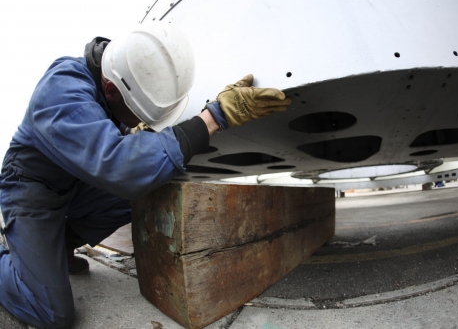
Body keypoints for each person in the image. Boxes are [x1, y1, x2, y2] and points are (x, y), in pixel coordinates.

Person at [0, 24, 290, 329]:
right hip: (31, 190)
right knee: (50, 312)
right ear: (111, 90)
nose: (141, 121)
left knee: (139, 195)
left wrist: (133, 132)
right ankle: (22, 257)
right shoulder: (62, 90)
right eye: (139, 113)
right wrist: (213, 117)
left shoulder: (110, 84)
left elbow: (122, 152)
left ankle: (53, 251)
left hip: (72, 185)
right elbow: (121, 167)